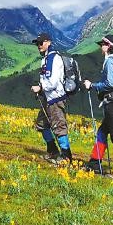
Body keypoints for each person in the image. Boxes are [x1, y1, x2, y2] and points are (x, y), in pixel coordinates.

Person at [83, 34, 113, 181]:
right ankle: (94, 163)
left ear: (108, 46)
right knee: (102, 132)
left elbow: (109, 84)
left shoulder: (110, 61)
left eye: (102, 44)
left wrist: (92, 85)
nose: (100, 47)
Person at [30, 32, 72, 164]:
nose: (38, 46)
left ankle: (66, 157)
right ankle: (53, 151)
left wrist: (40, 87)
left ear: (48, 42)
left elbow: (53, 82)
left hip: (56, 98)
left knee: (59, 127)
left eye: (41, 43)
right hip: (47, 99)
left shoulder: (53, 58)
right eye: (37, 44)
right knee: (42, 124)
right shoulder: (46, 58)